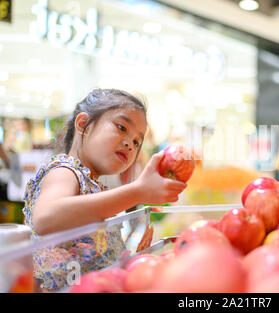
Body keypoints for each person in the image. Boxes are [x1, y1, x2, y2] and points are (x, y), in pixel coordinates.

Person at [22, 89, 186, 291]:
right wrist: (138, 191)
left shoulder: (94, 186)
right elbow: (46, 218)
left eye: (137, 141)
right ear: (83, 125)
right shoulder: (64, 170)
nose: (129, 143)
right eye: (121, 127)